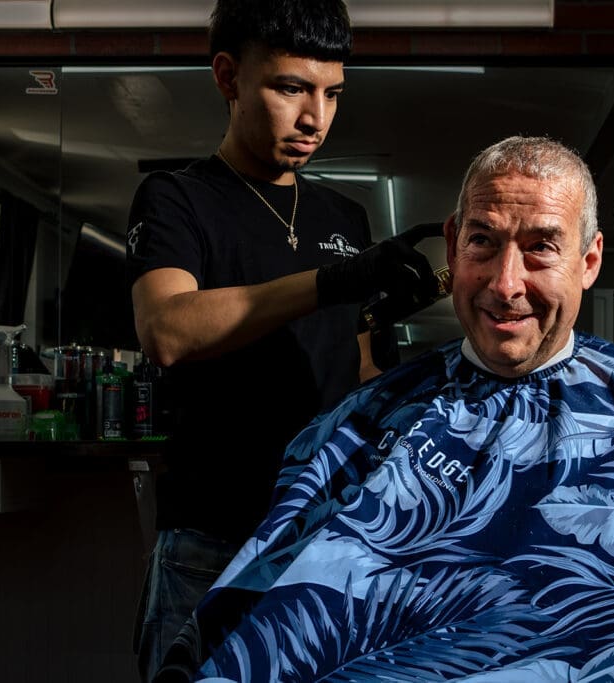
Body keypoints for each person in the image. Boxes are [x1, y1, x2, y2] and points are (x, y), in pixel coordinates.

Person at [155, 136, 614, 682]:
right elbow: (259, 627)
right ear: (453, 246)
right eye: (483, 242)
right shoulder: (365, 421)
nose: (505, 284)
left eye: (541, 247)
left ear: (588, 260)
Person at [124, 1, 441, 680]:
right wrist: (331, 280)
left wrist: (403, 343)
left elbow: (355, 371)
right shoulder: (177, 199)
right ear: (228, 76)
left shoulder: (343, 216)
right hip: (212, 538)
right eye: (290, 87)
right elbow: (167, 330)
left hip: (322, 538)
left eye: (331, 95)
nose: (315, 118)